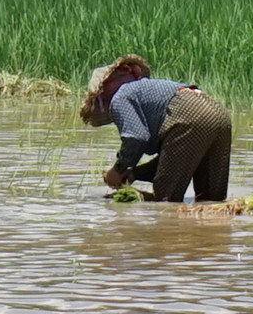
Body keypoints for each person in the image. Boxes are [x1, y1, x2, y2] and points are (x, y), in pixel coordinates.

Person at [83, 55, 232, 203]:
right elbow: (172, 160)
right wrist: (134, 174)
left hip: (188, 112)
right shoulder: (146, 92)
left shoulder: (120, 96)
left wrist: (118, 169)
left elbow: (136, 138)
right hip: (219, 113)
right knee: (211, 200)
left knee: (166, 202)